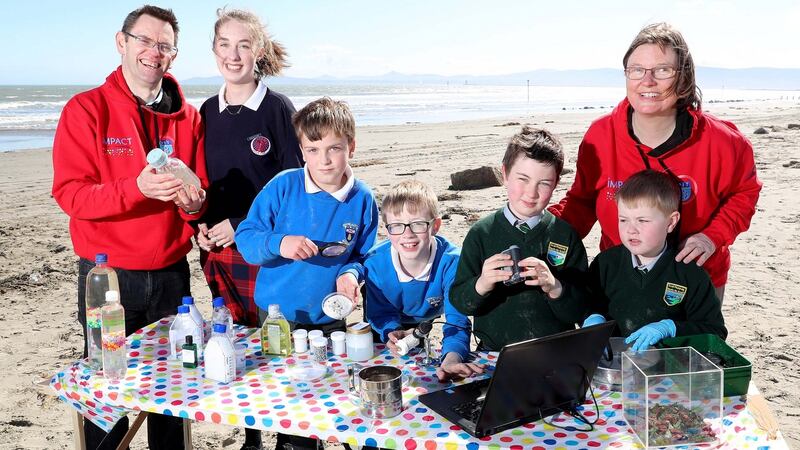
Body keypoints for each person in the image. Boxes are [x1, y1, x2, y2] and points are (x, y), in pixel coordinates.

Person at [51, 5, 204, 449]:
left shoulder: (189, 118)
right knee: (107, 392)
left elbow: (198, 194)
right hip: (108, 278)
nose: (153, 52)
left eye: (164, 45)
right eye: (144, 40)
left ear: (173, 56)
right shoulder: (85, 109)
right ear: (122, 42)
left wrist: (195, 206)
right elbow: (71, 196)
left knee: (175, 390)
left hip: (174, 274)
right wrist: (136, 189)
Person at [549, 22, 761, 303]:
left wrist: (711, 237)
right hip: (619, 280)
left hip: (696, 280)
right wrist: (535, 227)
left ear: (684, 78)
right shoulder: (601, 136)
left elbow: (744, 194)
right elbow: (581, 203)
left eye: (662, 70)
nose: (647, 81)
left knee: (687, 347)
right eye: (637, 70)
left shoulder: (724, 142)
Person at [235, 97, 378, 450]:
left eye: (334, 148)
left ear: (351, 147)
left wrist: (351, 275)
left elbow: (365, 255)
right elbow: (247, 239)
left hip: (329, 320)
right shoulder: (283, 186)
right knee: (288, 406)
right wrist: (280, 243)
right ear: (301, 151)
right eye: (313, 150)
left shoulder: (362, 199)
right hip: (277, 320)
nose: (324, 160)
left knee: (328, 403)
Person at [196, 8, 303, 450]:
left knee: (276, 344)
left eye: (243, 45)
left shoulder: (277, 109)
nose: (233, 54)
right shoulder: (206, 111)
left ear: (257, 51)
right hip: (218, 252)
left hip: (266, 250)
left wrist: (240, 224)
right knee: (233, 344)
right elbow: (202, 184)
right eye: (225, 44)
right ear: (214, 50)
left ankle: (291, 437)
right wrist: (198, 228)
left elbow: (297, 190)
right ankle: (253, 438)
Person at [450, 126, 588, 351]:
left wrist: (555, 287)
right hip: (494, 353)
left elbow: (580, 309)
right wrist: (482, 283)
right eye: (523, 179)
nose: (531, 193)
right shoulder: (481, 233)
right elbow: (460, 302)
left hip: (556, 351)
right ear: (504, 174)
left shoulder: (566, 235)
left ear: (555, 184)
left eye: (544, 183)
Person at [582, 170, 727, 351]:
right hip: (614, 367)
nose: (631, 230)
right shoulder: (606, 264)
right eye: (623, 220)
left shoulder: (690, 274)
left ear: (671, 222)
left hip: (669, 371)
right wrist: (591, 317)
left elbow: (715, 332)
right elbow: (586, 303)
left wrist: (671, 328)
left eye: (642, 220)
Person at [360, 180, 484, 381]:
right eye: (397, 226)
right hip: (389, 317)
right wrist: (392, 332)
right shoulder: (375, 264)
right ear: (387, 229)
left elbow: (457, 321)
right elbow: (380, 312)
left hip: (428, 313)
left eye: (418, 224)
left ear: (435, 225)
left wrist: (452, 358)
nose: (407, 234)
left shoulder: (452, 262)